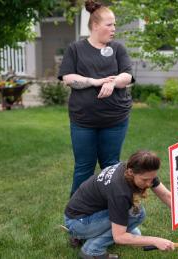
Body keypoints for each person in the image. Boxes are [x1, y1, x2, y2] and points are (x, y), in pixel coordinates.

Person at [63, 150, 178, 259]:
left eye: (152, 178)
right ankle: (91, 250)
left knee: (136, 231)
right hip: (78, 222)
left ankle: (86, 237)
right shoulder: (120, 191)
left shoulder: (135, 169)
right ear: (131, 172)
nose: (149, 184)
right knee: (136, 214)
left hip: (88, 215)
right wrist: (155, 240)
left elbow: (166, 195)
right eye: (145, 180)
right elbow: (120, 237)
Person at [58, 0, 135, 196]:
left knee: (111, 167)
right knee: (84, 167)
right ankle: (76, 214)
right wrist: (94, 81)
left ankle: (113, 211)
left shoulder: (118, 49)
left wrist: (112, 82)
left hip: (115, 120)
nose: (114, 29)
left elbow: (127, 76)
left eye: (114, 24)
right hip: (84, 121)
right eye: (109, 25)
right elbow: (68, 78)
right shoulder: (75, 49)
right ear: (95, 26)